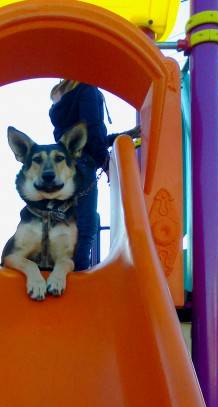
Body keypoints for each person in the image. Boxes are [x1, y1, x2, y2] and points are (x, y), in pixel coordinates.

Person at [49, 80, 140, 270]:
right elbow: (92, 131)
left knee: (63, 218)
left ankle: (55, 265)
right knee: (87, 224)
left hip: (62, 165)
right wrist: (104, 162)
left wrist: (125, 135)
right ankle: (78, 271)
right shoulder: (88, 90)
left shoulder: (64, 108)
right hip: (83, 165)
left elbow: (85, 136)